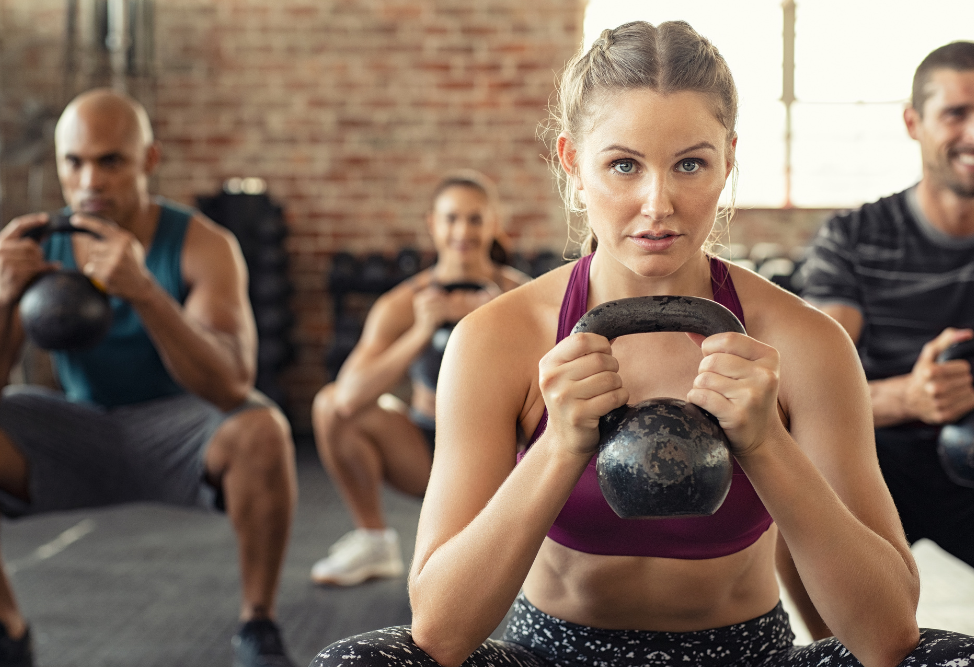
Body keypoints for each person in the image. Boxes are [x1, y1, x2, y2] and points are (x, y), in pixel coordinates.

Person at [310, 21, 974, 667]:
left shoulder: (805, 342)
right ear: (573, 163)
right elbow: (440, 630)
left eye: (690, 163)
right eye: (624, 164)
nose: (658, 203)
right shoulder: (499, 339)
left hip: (743, 654)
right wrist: (560, 445)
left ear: (729, 161)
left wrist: (768, 444)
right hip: (553, 653)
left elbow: (889, 637)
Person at [0, 89, 300, 667]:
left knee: (264, 429)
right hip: (75, 426)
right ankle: (3, 625)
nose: (90, 180)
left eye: (110, 161)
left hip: (178, 428)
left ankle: (258, 625)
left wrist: (146, 292)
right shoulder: (35, 250)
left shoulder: (204, 246)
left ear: (149, 161)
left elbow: (232, 386)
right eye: (74, 162)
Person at [791, 41, 974, 639]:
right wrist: (910, 398)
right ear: (913, 122)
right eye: (956, 113)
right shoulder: (853, 238)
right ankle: (838, 651)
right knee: (793, 466)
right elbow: (803, 393)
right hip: (879, 461)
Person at [311, 172, 528, 586]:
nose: (462, 231)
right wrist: (420, 331)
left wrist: (497, 323)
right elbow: (347, 397)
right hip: (427, 448)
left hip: (504, 453)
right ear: (432, 224)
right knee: (327, 404)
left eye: (475, 219)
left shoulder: (520, 297)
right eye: (451, 219)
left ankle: (542, 545)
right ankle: (374, 541)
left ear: (494, 223)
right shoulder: (402, 303)